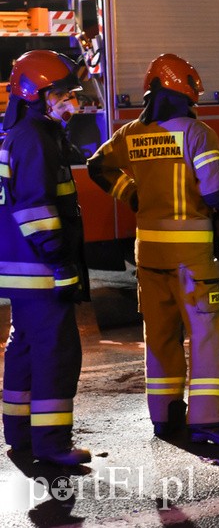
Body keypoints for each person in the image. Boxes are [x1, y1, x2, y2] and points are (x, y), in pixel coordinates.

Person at [87, 53, 219, 445]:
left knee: (159, 336)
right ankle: (209, 419)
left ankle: (164, 416)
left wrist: (133, 195)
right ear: (188, 89)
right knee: (206, 333)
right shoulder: (198, 133)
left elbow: (98, 166)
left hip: (148, 256)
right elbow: (214, 191)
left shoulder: (131, 133)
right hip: (191, 259)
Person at [0, 50, 92, 465]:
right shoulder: (36, 137)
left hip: (21, 269)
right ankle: (52, 445)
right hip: (40, 269)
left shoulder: (23, 131)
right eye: (60, 93)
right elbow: (36, 210)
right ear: (34, 93)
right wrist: (61, 263)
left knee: (24, 349)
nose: (70, 100)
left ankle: (21, 435)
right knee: (56, 353)